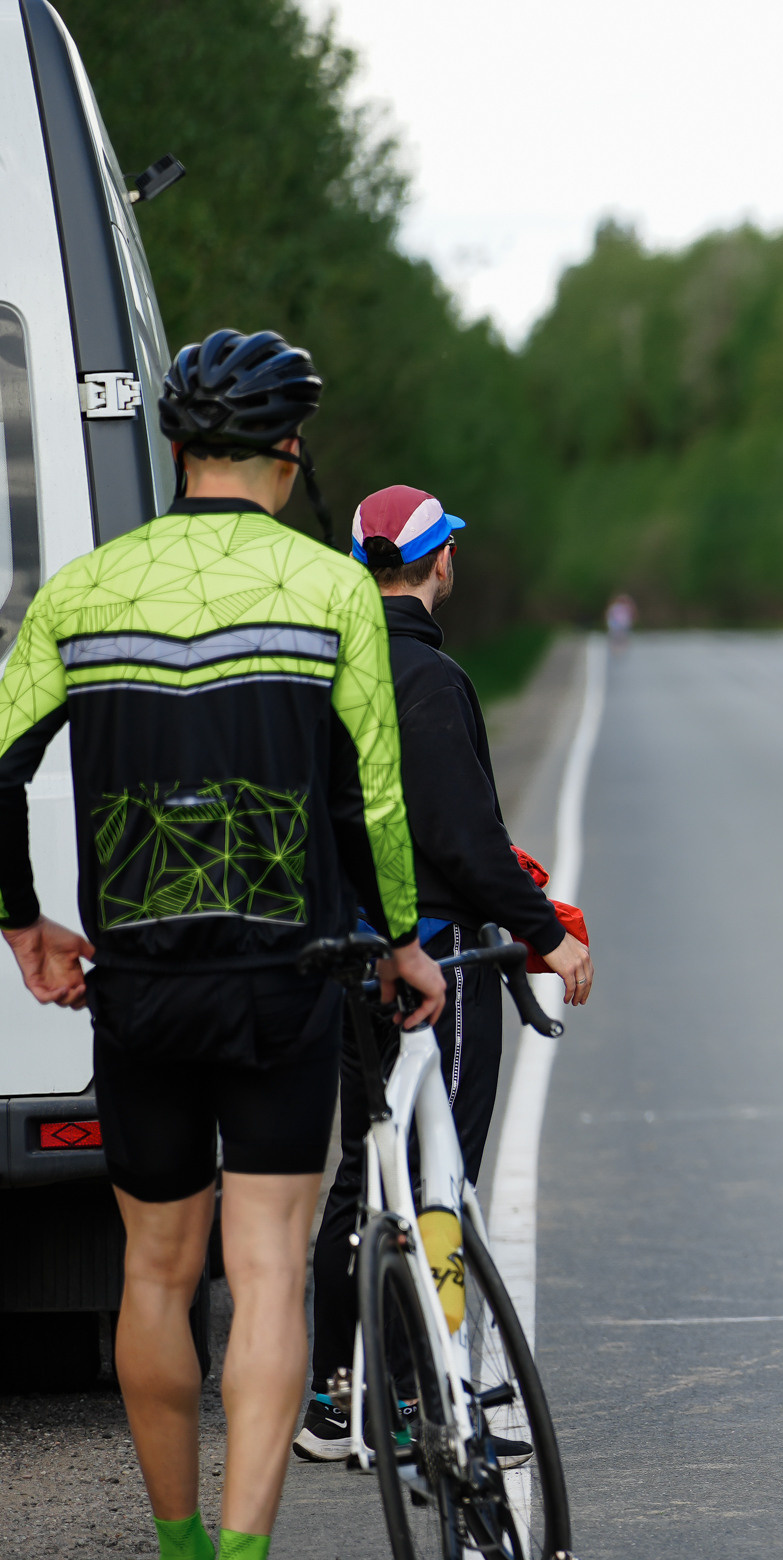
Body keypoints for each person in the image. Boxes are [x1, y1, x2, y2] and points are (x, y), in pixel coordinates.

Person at [0, 330, 443, 1560]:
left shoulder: (83, 592)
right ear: (291, 456)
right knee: (264, 1269)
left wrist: (24, 920)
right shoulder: (334, 590)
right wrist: (404, 940)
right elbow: (374, 801)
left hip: (135, 983)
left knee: (155, 1270)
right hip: (285, 981)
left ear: (175, 450)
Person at [295, 485, 597, 1461]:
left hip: (340, 958)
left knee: (360, 1173)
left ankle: (336, 1399)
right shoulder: (430, 679)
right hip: (437, 957)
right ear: (439, 562)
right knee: (441, 1178)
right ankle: (438, 1402)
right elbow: (466, 844)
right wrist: (547, 932)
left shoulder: (324, 668)